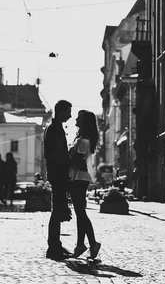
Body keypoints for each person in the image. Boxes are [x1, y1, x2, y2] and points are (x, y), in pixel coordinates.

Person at [68, 110, 101, 259]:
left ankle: (92, 243)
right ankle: (80, 244)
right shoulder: (81, 139)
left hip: (78, 179)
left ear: (84, 122)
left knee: (81, 213)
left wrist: (64, 158)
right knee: (80, 213)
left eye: (79, 118)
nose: (76, 119)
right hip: (79, 178)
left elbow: (79, 162)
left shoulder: (83, 141)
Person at [43, 99, 72, 260]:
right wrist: (69, 161)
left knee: (58, 210)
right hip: (58, 173)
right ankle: (53, 247)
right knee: (57, 211)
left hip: (57, 173)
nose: (70, 115)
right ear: (61, 111)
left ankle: (56, 244)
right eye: (68, 112)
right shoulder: (54, 129)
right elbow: (55, 155)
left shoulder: (55, 127)